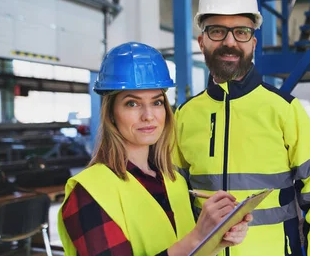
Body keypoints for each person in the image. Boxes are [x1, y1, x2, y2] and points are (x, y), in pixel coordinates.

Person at [172, 0, 310, 255]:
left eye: (241, 32)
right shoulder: (184, 116)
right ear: (201, 41)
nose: (230, 42)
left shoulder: (284, 110)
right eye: (217, 31)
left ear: (253, 43)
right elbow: (174, 199)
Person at [57, 42, 252, 256]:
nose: (148, 115)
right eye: (132, 103)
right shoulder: (89, 192)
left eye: (157, 102)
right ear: (111, 113)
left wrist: (218, 238)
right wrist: (197, 236)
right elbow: (187, 244)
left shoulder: (174, 181)